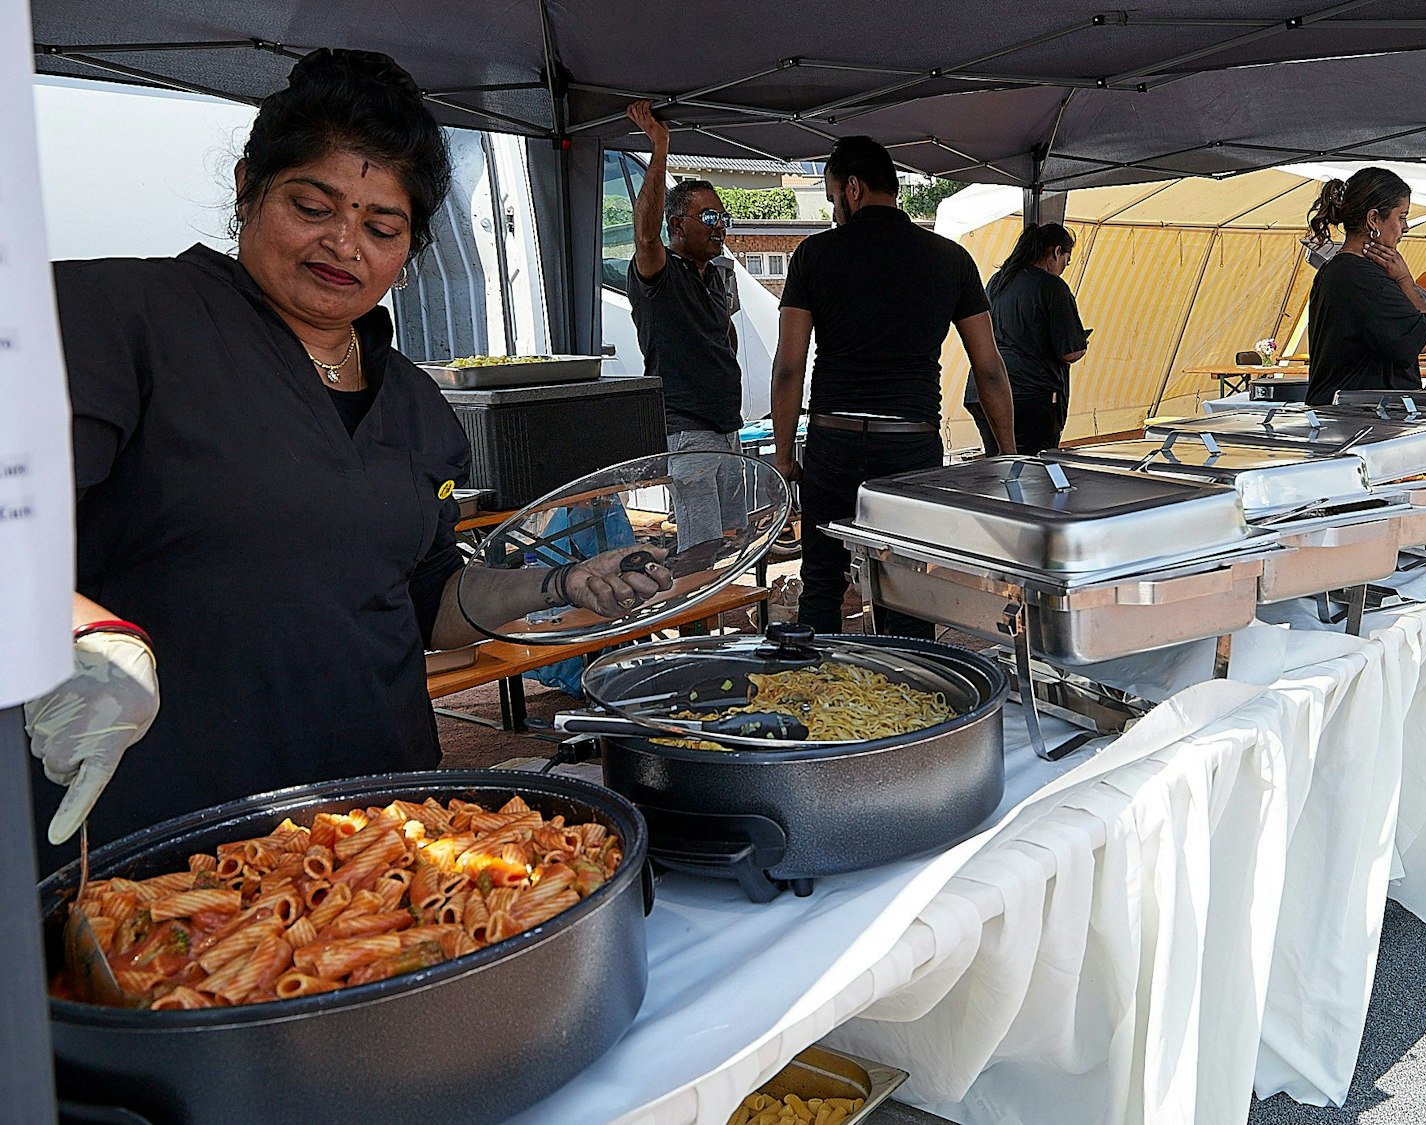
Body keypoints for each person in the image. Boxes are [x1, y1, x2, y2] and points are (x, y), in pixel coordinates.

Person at [25, 50, 662, 873]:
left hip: (379, 832)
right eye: (311, 205)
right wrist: (80, 631)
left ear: (410, 246)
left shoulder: (417, 406)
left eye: (380, 227)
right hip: (162, 842)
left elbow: (427, 597)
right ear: (249, 186)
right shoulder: (121, 319)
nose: (343, 243)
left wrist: (562, 583)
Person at [771, 136, 1015, 638]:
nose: (834, 209)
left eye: (832, 195)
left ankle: (816, 701)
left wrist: (782, 453)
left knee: (821, 580)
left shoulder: (814, 255)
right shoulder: (950, 259)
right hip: (910, 444)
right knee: (905, 584)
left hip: (833, 440)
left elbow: (789, 368)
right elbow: (989, 367)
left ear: (852, 189)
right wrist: (1007, 452)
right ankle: (910, 703)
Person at [622, 102, 744, 550]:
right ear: (677, 223)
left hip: (726, 427)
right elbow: (644, 236)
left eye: (722, 218)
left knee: (733, 540)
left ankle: (729, 617)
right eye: (709, 218)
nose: (720, 227)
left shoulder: (716, 276)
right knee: (700, 547)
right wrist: (660, 148)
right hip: (688, 430)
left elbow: (723, 339)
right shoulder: (660, 272)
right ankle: (695, 620)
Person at [1302, 167, 1426, 401]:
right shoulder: (1362, 278)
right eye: (1401, 217)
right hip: (1362, 421)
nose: (1405, 227)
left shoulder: (1336, 269)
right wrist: (1405, 280)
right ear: (1374, 219)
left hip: (1343, 417)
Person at [965, 222, 1089, 456]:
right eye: (1066, 260)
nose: (1064, 268)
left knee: (999, 468)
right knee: (1033, 472)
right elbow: (1070, 352)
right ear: (1056, 252)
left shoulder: (997, 281)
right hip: (1029, 395)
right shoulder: (1052, 286)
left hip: (982, 390)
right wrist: (1083, 344)